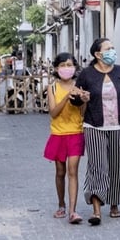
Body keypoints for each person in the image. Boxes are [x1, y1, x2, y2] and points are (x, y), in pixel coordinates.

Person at [75, 38, 120, 226]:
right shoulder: (86, 74)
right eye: (109, 49)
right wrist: (80, 98)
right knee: (98, 166)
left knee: (115, 167)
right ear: (98, 54)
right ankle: (96, 210)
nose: (113, 51)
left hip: (119, 127)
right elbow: (75, 99)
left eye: (113, 48)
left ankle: (114, 203)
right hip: (94, 126)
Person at [44, 53, 88, 225]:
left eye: (69, 64)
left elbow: (83, 113)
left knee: (73, 171)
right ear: (56, 68)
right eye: (62, 65)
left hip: (76, 133)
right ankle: (61, 204)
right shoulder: (52, 88)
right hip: (58, 134)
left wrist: (84, 100)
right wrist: (66, 98)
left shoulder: (80, 86)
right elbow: (53, 113)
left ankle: (72, 211)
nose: (66, 68)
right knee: (60, 172)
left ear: (75, 67)